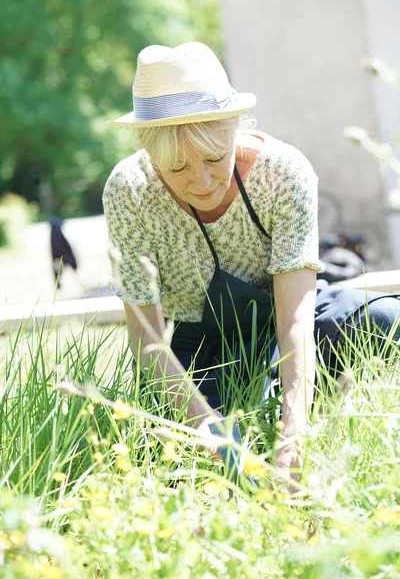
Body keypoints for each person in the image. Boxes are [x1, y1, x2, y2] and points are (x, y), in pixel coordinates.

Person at [103, 42, 400, 484]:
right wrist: (205, 425)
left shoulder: (284, 173)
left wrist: (294, 432)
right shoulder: (129, 191)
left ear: (234, 130)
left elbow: (296, 320)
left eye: (213, 158)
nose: (200, 182)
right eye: (177, 166)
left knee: (385, 317)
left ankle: (307, 403)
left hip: (284, 320)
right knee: (196, 463)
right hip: (194, 349)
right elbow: (146, 338)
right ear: (149, 153)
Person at [49, 216, 78, 289]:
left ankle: (58, 285)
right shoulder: (56, 232)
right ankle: (58, 285)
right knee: (57, 271)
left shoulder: (54, 232)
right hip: (61, 256)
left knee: (57, 271)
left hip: (58, 256)